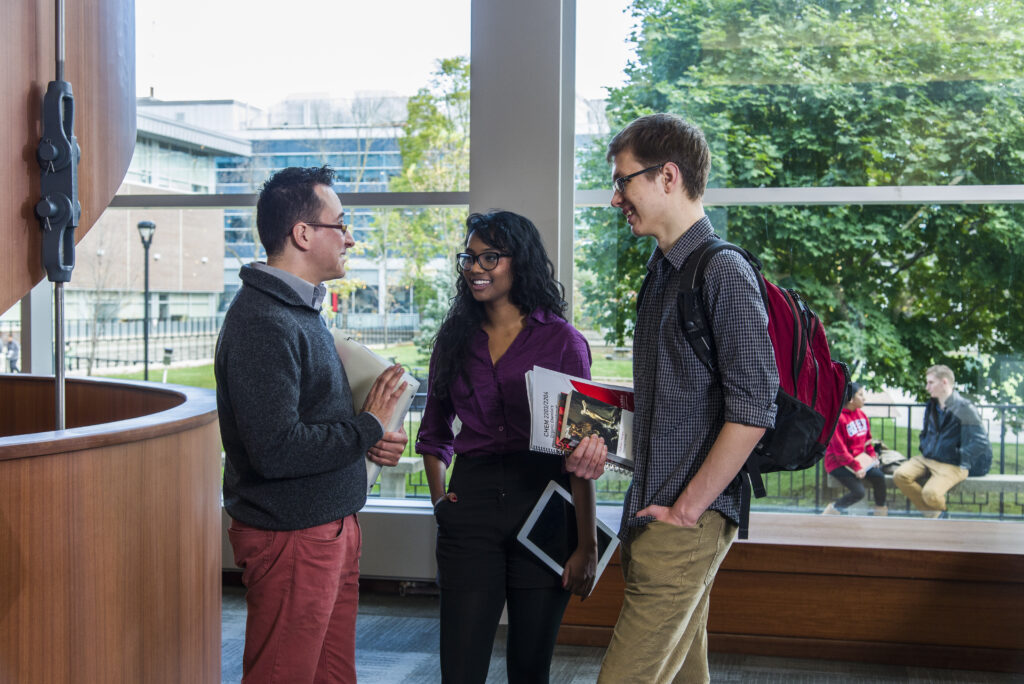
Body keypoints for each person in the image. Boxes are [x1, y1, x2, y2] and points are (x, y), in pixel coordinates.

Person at [566, 113, 779, 684]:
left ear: (667, 176)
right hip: (653, 507)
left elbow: (755, 410)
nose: (616, 199)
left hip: (687, 517)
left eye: (623, 181)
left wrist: (686, 511)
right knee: (685, 676)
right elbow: (671, 400)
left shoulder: (723, 271)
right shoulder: (662, 272)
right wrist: (595, 435)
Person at [215, 166, 410, 684]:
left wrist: (371, 437)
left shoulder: (299, 310)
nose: (350, 237)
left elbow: (313, 419)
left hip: (327, 528)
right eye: (340, 225)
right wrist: (367, 426)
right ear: (303, 234)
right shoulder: (264, 322)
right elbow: (277, 450)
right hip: (293, 536)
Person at [415, 210, 608, 684]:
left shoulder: (563, 341)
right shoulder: (454, 340)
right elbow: (435, 431)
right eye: (470, 257)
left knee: (529, 669)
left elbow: (580, 455)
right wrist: (441, 500)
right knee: (460, 670)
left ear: (518, 262)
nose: (476, 268)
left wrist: (586, 544)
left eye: (490, 258)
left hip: (544, 500)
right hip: (472, 503)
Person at [892, 364, 992, 518]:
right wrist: (925, 446)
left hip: (953, 464)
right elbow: (925, 432)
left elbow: (981, 442)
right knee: (900, 475)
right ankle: (938, 515)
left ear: (944, 382)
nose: (927, 387)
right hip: (928, 457)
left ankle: (939, 518)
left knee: (930, 493)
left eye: (931, 382)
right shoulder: (932, 405)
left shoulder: (964, 408)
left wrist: (958, 455)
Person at [822, 382, 888, 516]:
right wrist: (856, 466)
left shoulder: (862, 415)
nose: (864, 398)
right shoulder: (838, 419)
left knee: (879, 477)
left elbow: (868, 442)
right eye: (861, 395)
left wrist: (872, 456)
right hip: (838, 463)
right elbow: (840, 451)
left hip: (859, 461)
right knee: (859, 492)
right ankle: (831, 512)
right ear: (851, 399)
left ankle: (880, 513)